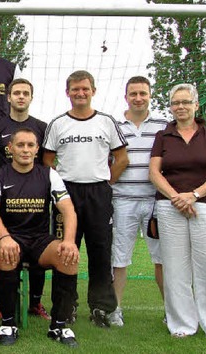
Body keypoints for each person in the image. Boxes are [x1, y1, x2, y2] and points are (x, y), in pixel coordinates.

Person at [42, 70, 128, 327]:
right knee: (64, 250)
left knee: (100, 251)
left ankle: (101, 308)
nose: (80, 93)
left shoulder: (107, 122)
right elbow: (47, 162)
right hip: (66, 194)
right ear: (67, 92)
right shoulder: (57, 124)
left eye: (85, 89)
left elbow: (121, 158)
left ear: (93, 91)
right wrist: (60, 187)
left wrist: (105, 182)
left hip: (98, 193)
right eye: (75, 89)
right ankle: (66, 307)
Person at [0, 128, 79, 347]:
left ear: (37, 149)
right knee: (7, 252)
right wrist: (5, 237)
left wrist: (69, 241)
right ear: (10, 149)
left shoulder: (48, 174)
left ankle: (59, 325)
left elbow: (68, 210)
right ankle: (8, 323)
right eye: (20, 145)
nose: (25, 150)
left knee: (69, 256)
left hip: (39, 239)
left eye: (30, 145)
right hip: (8, 236)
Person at [149, 83, 206, 338]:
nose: (180, 107)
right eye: (176, 103)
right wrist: (178, 198)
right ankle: (182, 325)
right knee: (175, 269)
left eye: (186, 102)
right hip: (170, 207)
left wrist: (195, 195)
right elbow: (154, 173)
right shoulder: (163, 136)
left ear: (196, 105)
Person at [0, 78, 50, 321]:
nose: (21, 97)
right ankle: (6, 305)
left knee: (40, 245)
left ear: (31, 97)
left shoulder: (42, 127)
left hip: (35, 200)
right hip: (5, 197)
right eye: (16, 93)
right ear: (8, 97)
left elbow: (47, 165)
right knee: (6, 250)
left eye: (26, 93)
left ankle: (36, 303)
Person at [109, 76, 169, 327]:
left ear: (150, 95)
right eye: (133, 93)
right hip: (122, 200)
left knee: (163, 259)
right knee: (119, 258)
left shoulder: (164, 126)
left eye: (143, 93)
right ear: (126, 97)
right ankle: (115, 309)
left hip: (156, 201)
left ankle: (173, 312)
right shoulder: (114, 125)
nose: (138, 98)